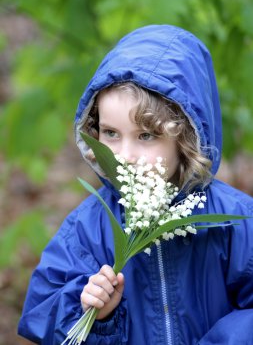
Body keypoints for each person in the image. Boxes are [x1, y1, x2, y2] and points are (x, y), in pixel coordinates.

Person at [18, 25, 253, 345]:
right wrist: (94, 313)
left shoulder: (233, 220)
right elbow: (44, 315)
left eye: (146, 135)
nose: (125, 156)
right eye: (111, 133)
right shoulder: (88, 229)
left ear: (185, 139)